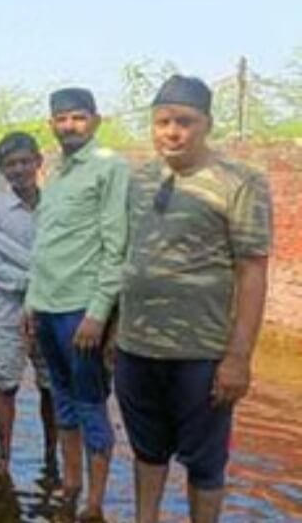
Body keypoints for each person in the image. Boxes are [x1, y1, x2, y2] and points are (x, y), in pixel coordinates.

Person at [115, 75, 271, 523]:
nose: (172, 132)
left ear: (208, 124)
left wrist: (238, 358)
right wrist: (113, 331)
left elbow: (252, 271)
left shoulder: (240, 182)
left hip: (200, 353)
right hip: (136, 347)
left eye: (185, 122)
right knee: (147, 451)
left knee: (204, 464)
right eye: (162, 122)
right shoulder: (141, 180)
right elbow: (129, 257)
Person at [24, 87, 128, 521]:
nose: (69, 126)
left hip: (80, 311)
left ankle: (95, 503)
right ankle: (70, 486)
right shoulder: (56, 174)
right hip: (47, 307)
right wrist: (30, 303)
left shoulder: (110, 167)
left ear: (95, 121)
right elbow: (45, 244)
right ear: (51, 124)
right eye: (62, 118)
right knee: (61, 398)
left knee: (90, 402)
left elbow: (116, 244)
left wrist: (99, 313)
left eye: (78, 117)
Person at [0, 132, 57, 476]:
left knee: (51, 385)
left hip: (52, 308)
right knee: (6, 383)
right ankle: (5, 456)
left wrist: (43, 284)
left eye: (25, 161)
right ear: (2, 169)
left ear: (38, 162)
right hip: (9, 309)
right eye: (11, 164)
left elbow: (63, 256)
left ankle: (52, 456)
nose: (19, 169)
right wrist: (30, 282)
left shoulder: (57, 204)